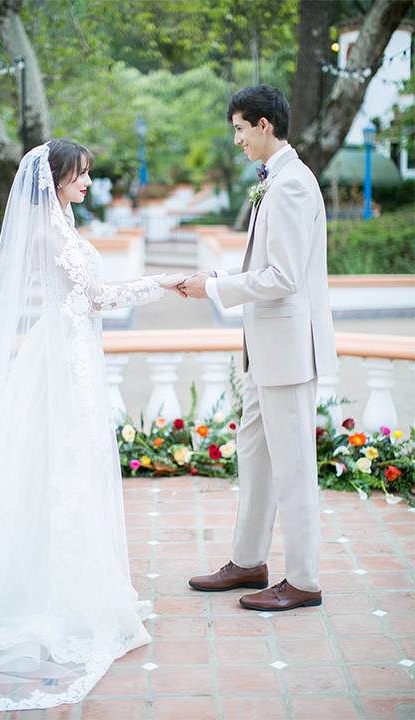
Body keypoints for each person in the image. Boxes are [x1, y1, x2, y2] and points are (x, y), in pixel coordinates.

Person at [0, 140, 182, 711]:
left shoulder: (64, 225)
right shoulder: (48, 233)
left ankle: (72, 581)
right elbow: (94, 297)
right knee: (52, 464)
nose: (90, 182)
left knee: (65, 464)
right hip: (59, 362)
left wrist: (158, 282)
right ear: (58, 178)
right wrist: (161, 281)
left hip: (74, 356)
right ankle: (51, 593)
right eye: (82, 174)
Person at [179, 85, 338, 612]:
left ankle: (305, 580)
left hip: (289, 353)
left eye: (241, 129)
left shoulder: (292, 184)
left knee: (293, 468)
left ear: (265, 125)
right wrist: (218, 278)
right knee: (256, 458)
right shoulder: (276, 180)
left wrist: (217, 288)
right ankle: (248, 561)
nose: (237, 140)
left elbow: (284, 277)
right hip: (264, 352)